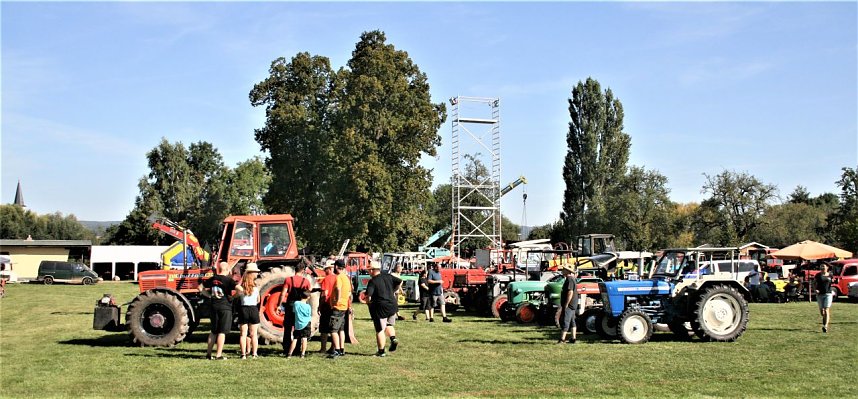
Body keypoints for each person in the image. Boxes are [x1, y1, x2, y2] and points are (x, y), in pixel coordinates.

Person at [365, 260, 402, 357]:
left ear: (373, 270)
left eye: (369, 270)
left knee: (380, 329)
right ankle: (393, 338)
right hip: (392, 304)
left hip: (380, 306)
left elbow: (369, 296)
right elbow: (399, 281)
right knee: (389, 324)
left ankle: (381, 351)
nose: (368, 272)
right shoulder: (388, 276)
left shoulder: (373, 281)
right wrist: (394, 290)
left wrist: (368, 303)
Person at [201, 261, 237, 360]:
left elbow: (200, 287)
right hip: (225, 307)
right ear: (228, 269)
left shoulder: (213, 279)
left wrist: (208, 295)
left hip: (214, 306)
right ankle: (218, 355)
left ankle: (208, 354)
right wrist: (234, 297)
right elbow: (240, 289)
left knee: (213, 331)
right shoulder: (229, 280)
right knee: (222, 331)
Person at [278, 259, 312, 355]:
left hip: (290, 306)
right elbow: (308, 294)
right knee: (298, 328)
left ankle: (286, 349)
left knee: (288, 328)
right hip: (300, 307)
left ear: (295, 270)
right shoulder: (306, 281)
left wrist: (279, 305)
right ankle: (297, 350)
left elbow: (283, 293)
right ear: (302, 270)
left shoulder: (288, 280)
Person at [327, 259, 352, 359]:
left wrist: (336, 300)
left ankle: (336, 350)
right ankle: (342, 349)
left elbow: (338, 288)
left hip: (338, 306)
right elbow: (350, 292)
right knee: (341, 329)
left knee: (333, 330)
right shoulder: (346, 278)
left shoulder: (339, 277)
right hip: (344, 306)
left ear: (336, 267)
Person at [237, 263, 261, 359]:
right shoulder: (256, 288)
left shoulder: (241, 288)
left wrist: (243, 277)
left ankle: (243, 354)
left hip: (244, 309)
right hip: (253, 309)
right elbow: (258, 300)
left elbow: (237, 286)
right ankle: (254, 353)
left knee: (243, 334)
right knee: (254, 334)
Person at [317, 260, 337, 354]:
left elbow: (324, 294)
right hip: (336, 306)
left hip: (327, 305)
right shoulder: (338, 278)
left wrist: (319, 306)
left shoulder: (326, 279)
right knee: (334, 328)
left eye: (325, 269)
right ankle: (333, 348)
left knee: (324, 329)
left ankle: (323, 348)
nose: (325, 271)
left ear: (329, 269)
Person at [557, 264, 579, 344]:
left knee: (565, 321)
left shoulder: (569, 279)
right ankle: (573, 338)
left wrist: (566, 303)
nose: (562, 270)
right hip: (573, 304)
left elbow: (570, 292)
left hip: (569, 305)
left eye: (564, 269)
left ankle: (562, 339)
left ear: (567, 271)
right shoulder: (571, 279)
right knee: (572, 321)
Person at [287, 290, 312, 358]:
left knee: (295, 339)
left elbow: (294, 311)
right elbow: (309, 315)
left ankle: (289, 354)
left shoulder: (296, 303)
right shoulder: (308, 306)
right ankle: (302, 354)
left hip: (298, 324)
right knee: (304, 339)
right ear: (308, 297)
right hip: (306, 323)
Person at [814, 263, 834, 333]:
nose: (822, 267)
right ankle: (824, 320)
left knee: (826, 309)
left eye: (823, 266)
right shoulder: (818, 275)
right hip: (820, 295)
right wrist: (815, 289)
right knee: (822, 312)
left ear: (827, 267)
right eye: (821, 266)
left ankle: (825, 326)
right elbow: (814, 283)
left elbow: (832, 282)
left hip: (828, 294)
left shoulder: (830, 275)